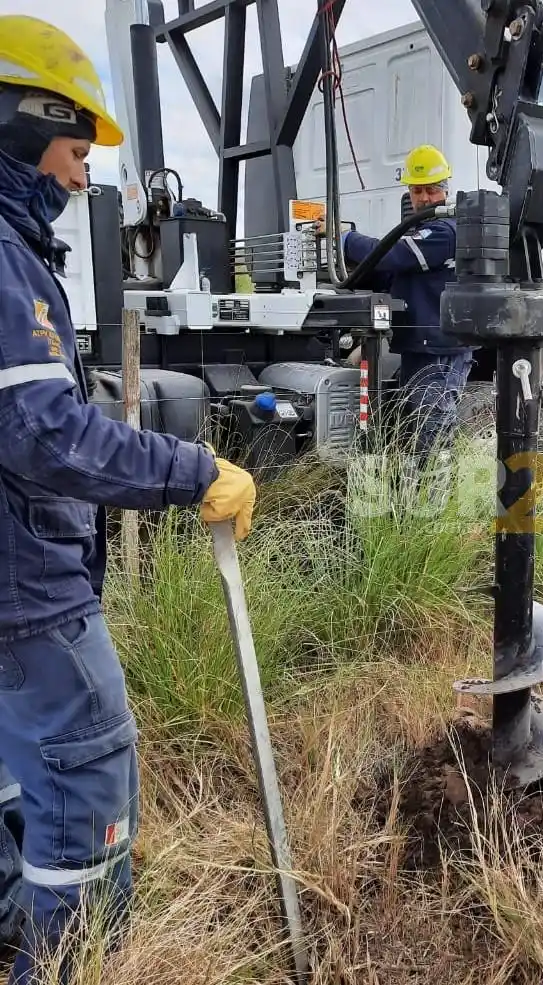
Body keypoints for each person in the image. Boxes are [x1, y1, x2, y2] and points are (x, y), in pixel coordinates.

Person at [0, 15, 256, 982]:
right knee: (83, 804)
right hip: (30, 598)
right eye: (75, 152)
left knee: (16, 794)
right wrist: (192, 469)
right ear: (25, 122)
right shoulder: (4, 257)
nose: (80, 179)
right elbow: (43, 432)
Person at [337, 144, 473, 464]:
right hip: (420, 347)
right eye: (417, 190)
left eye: (431, 189)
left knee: (431, 430)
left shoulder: (447, 230)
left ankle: (434, 491)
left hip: (440, 351)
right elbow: (391, 274)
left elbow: (396, 254)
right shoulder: (422, 229)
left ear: (445, 189)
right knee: (413, 427)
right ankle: (415, 486)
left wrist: (345, 238)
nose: (424, 198)